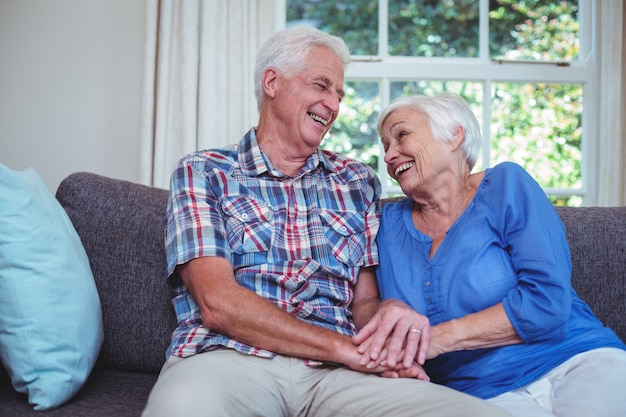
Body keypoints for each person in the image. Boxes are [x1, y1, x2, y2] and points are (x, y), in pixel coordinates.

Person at [141, 28, 512, 417]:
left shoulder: (356, 181)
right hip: (227, 359)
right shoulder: (204, 172)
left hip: (339, 375)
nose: (333, 105)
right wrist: (342, 348)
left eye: (339, 94)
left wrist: (384, 319)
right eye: (322, 85)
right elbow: (218, 303)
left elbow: (364, 300)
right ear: (272, 82)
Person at [355, 92, 626, 417]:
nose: (389, 155)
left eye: (401, 136)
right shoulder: (385, 224)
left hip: (576, 359)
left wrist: (437, 339)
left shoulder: (506, 185)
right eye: (385, 146)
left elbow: (547, 302)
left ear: (455, 135)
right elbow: (364, 307)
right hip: (477, 394)